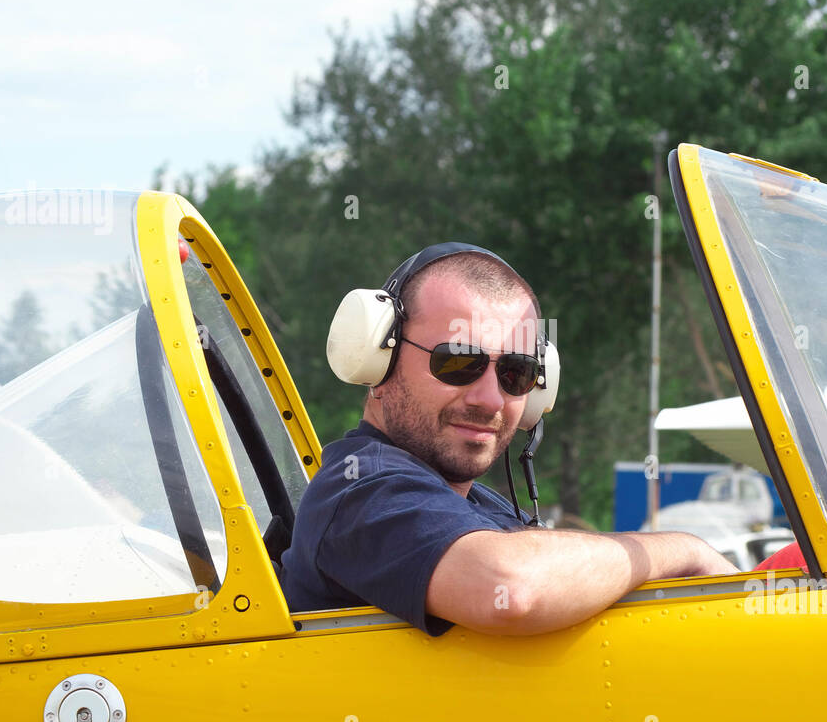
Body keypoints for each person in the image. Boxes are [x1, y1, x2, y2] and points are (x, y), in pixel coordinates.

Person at [278, 246, 737, 636]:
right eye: (457, 363)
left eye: (515, 374)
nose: (489, 399)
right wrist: (686, 551)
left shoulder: (480, 506)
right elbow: (511, 589)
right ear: (378, 359)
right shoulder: (362, 491)